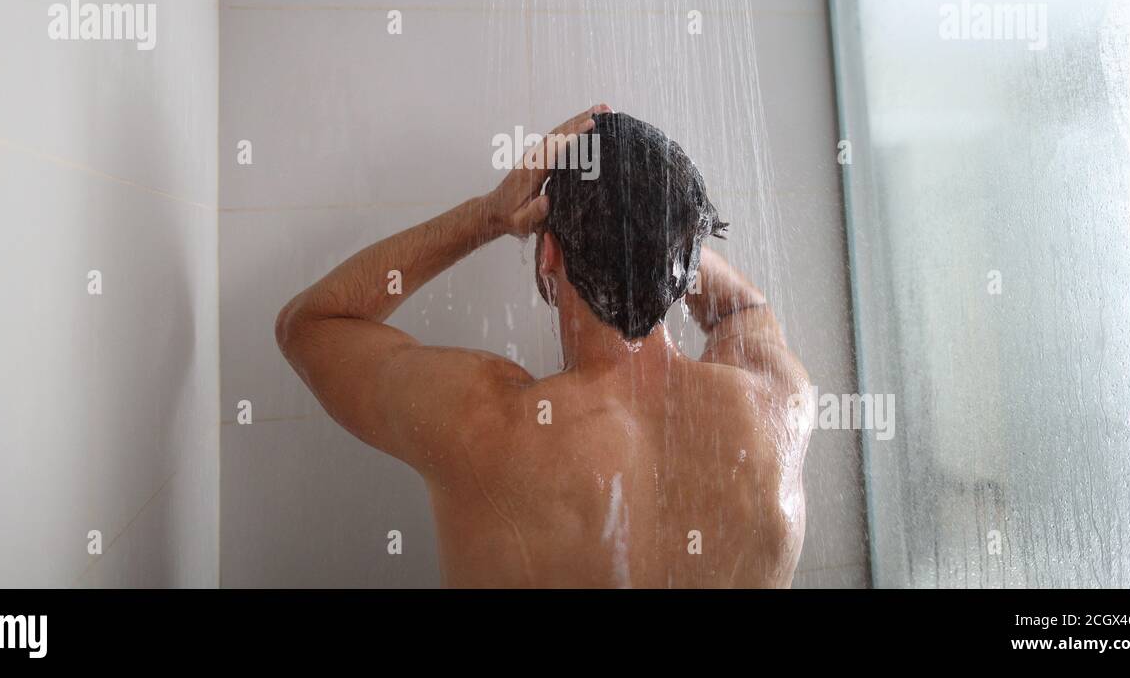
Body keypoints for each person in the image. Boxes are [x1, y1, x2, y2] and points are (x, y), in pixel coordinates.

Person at [275, 105, 812, 587]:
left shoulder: (483, 423)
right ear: (687, 260)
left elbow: (312, 324)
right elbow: (744, 309)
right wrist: (659, 234)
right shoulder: (775, 407)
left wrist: (486, 216)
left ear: (547, 252)